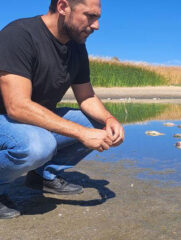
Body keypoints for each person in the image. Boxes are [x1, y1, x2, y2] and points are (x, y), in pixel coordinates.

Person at [0, 0, 124, 219]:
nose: (96, 26)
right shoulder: (19, 35)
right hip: (6, 116)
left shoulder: (76, 46)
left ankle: (42, 176)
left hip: (29, 118)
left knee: (99, 125)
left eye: (97, 18)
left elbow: (86, 96)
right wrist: (80, 133)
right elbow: (17, 107)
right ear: (63, 7)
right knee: (39, 145)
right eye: (89, 16)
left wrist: (109, 118)